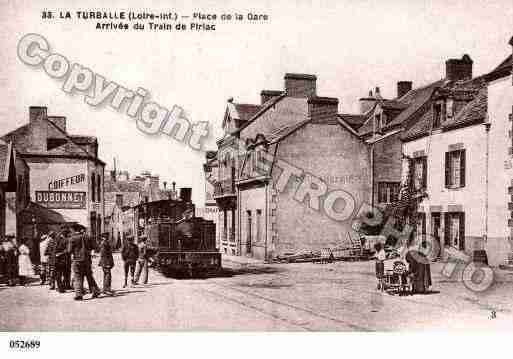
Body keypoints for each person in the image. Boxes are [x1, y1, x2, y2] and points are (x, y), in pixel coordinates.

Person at [68, 228, 101, 300]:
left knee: (78, 276)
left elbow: (69, 250)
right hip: (87, 260)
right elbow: (97, 248)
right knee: (89, 276)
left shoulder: (72, 238)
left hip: (77, 260)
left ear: (74, 230)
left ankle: (79, 294)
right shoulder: (88, 237)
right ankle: (95, 290)